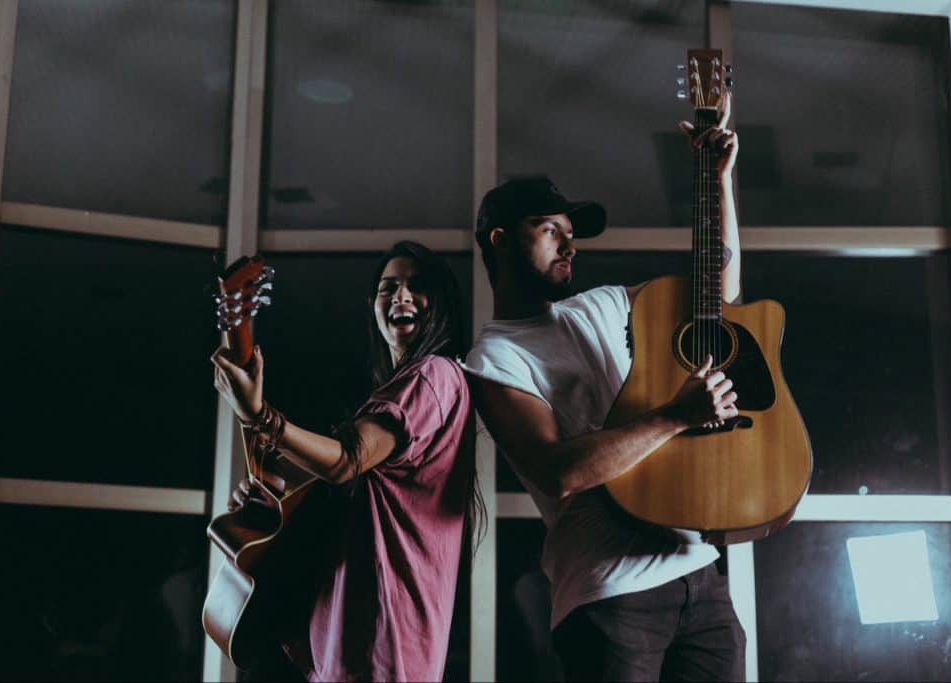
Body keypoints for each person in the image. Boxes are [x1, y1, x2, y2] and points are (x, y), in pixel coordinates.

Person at [462, 93, 745, 681]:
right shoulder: (494, 357)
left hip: (699, 572)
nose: (569, 246)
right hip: (610, 595)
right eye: (549, 231)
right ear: (500, 240)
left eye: (572, 233)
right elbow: (555, 472)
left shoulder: (609, 303)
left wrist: (719, 184)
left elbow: (717, 294)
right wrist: (676, 416)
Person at [211, 240, 483, 682]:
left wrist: (260, 416)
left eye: (418, 286)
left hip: (385, 651)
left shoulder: (435, 376)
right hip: (342, 652)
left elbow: (344, 461)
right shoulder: (394, 395)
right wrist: (272, 508)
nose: (401, 296)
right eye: (388, 287)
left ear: (445, 303)